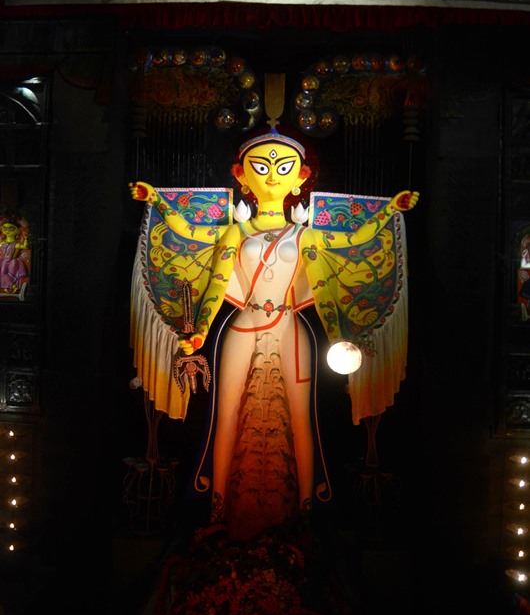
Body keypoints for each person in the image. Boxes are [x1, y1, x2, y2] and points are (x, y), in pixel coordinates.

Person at [129, 127, 419, 537]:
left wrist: (390, 211)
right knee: (223, 415)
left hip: (289, 325)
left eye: (282, 168)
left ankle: (307, 511)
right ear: (240, 175)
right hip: (243, 324)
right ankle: (217, 509)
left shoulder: (306, 234)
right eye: (260, 167)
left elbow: (354, 238)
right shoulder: (235, 231)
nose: (271, 177)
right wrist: (157, 200)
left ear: (300, 177)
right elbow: (190, 232)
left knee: (303, 418)